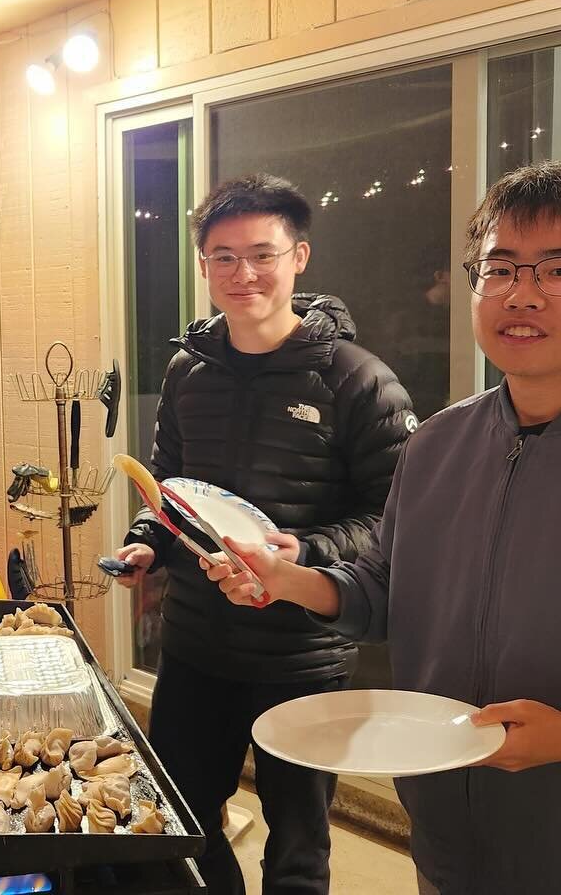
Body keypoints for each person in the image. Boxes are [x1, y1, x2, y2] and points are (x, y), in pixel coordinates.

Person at [204, 161, 561, 895]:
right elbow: (390, 587)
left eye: (560, 269)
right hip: (447, 836)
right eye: (499, 268)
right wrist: (288, 581)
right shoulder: (438, 443)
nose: (521, 294)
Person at [111, 174, 414, 894]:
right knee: (183, 822)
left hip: (301, 654)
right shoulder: (189, 370)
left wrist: (303, 554)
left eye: (262, 254)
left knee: (299, 844)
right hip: (196, 644)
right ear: (204, 265)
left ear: (299, 257)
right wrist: (147, 541)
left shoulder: (358, 381)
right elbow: (170, 485)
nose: (243, 274)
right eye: (223, 257)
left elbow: (392, 518)